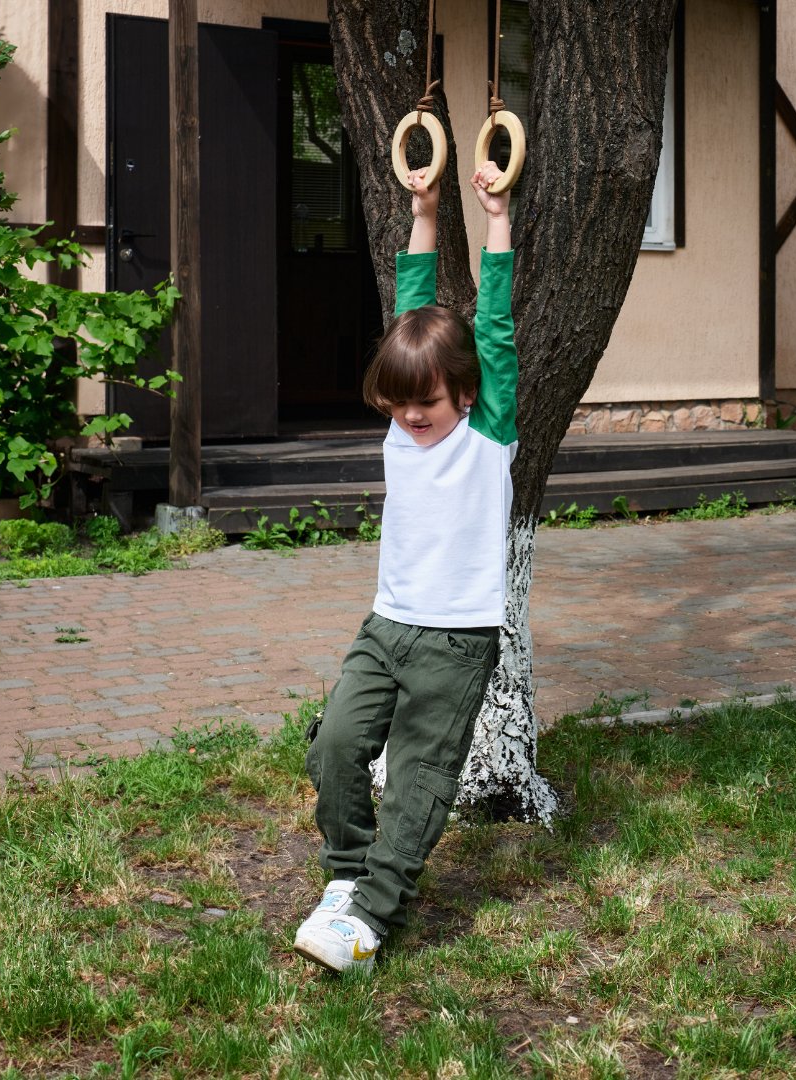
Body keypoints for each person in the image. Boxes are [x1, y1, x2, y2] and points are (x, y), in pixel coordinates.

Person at [294, 160, 517, 973]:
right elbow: (412, 308)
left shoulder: (485, 433)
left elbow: (492, 323)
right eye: (399, 403)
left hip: (456, 639)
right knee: (334, 747)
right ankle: (346, 877)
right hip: (387, 623)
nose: (410, 416)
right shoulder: (403, 428)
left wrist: (496, 218)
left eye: (426, 403)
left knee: (421, 780)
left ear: (467, 393)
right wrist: (424, 209)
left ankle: (372, 920)